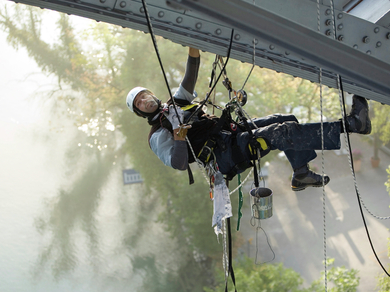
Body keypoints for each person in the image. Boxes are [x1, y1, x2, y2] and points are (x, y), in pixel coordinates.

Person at [126, 47, 371, 191]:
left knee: (286, 119)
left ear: (152, 94)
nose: (144, 101)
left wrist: (193, 47)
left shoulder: (176, 103)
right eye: (139, 104)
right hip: (221, 156)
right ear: (140, 112)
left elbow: (190, 77)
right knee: (281, 132)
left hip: (229, 136)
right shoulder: (157, 135)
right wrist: (179, 140)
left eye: (144, 95)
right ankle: (350, 125)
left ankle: (301, 172)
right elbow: (178, 163)